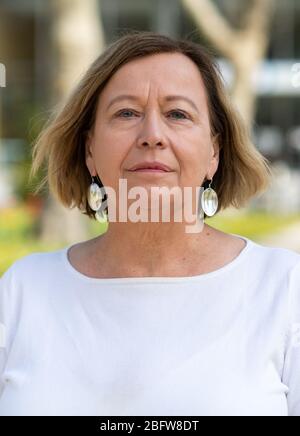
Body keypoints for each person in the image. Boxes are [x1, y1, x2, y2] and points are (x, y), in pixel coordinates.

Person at [0, 31, 299, 416]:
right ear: (89, 149)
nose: (152, 135)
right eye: (126, 113)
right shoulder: (21, 292)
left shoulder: (283, 289)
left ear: (214, 153)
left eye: (178, 114)